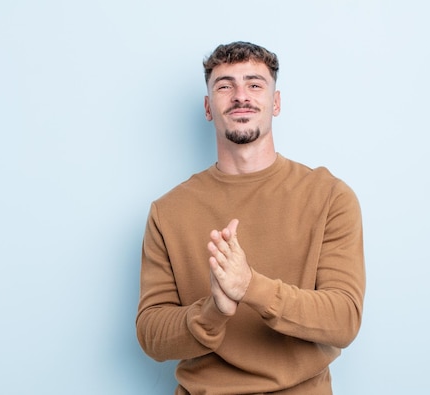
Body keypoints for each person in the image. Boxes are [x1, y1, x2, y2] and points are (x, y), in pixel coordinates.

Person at [136, 41, 365, 395]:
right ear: (208, 107)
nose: (240, 96)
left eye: (255, 84)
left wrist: (251, 288)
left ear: (275, 103)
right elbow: (152, 335)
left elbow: (344, 319)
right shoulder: (168, 211)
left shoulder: (329, 197)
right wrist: (214, 311)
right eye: (225, 85)